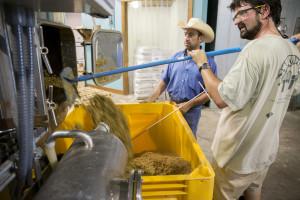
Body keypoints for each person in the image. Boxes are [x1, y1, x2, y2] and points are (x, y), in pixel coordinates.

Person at [190, 0, 300, 200]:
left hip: (238, 155)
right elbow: (291, 89)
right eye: (235, 16)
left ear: (264, 10)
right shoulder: (292, 50)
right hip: (263, 152)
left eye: (242, 13)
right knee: (253, 191)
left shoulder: (255, 50)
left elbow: (221, 98)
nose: (236, 22)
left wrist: (202, 64)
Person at [141, 18, 217, 138]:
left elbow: (210, 92)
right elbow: (164, 80)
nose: (186, 38)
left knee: (187, 139)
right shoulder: (175, 58)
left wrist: (189, 104)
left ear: (200, 38)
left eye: (191, 35)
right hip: (172, 105)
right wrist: (151, 98)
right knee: (170, 137)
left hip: (191, 110)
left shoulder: (208, 62)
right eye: (185, 34)